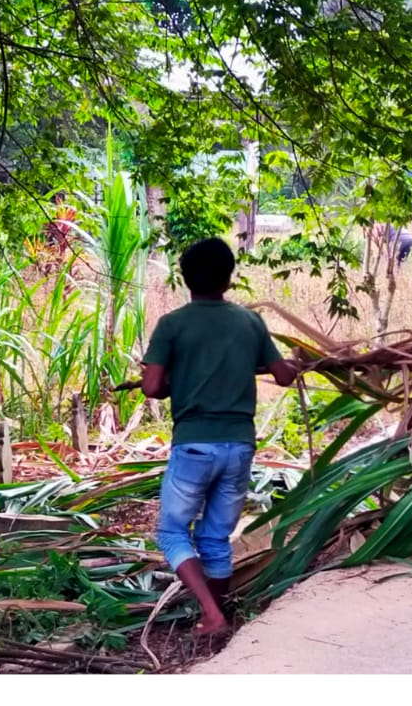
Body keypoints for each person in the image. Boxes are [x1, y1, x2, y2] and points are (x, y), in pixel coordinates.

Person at [140, 238, 299, 637]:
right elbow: (282, 375)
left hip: (194, 444)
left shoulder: (172, 325)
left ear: (185, 279)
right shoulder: (249, 322)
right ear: (229, 279)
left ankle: (211, 614)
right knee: (215, 538)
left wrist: (176, 380)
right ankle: (219, 617)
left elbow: (152, 387)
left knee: (173, 533)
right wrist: (294, 364)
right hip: (239, 445)